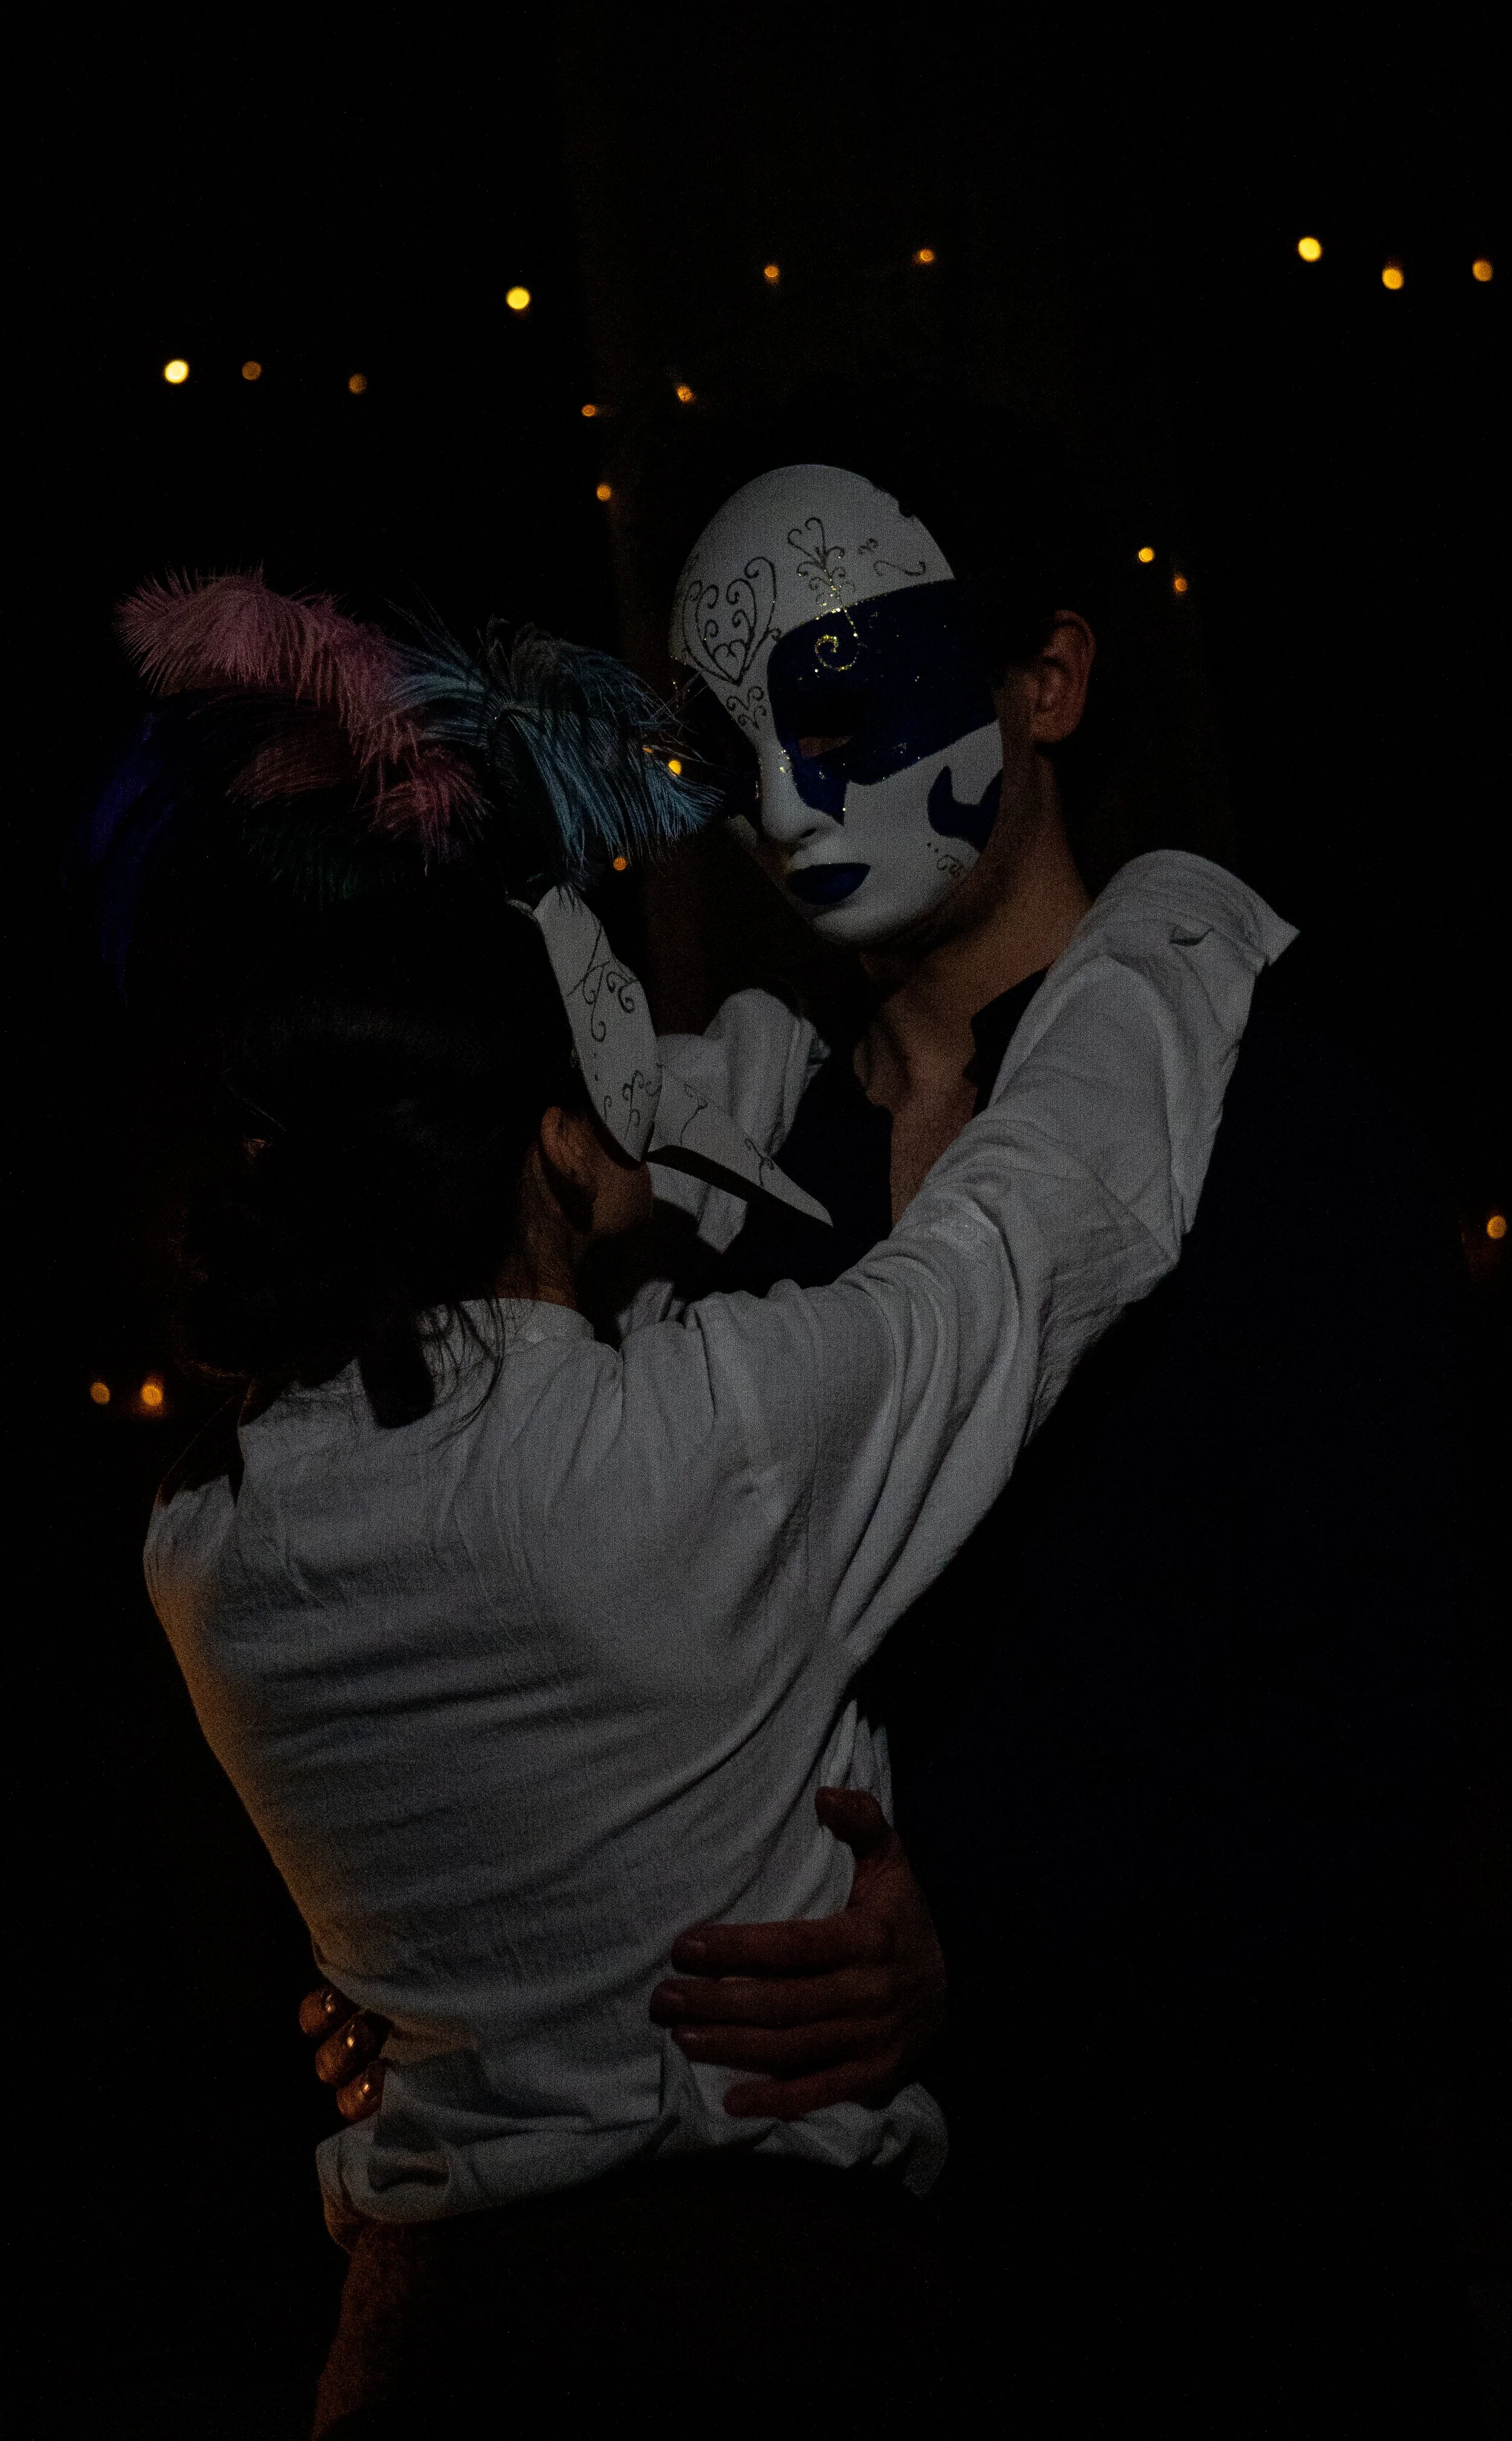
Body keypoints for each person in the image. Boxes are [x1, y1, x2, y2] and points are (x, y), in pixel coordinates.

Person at [310, 397, 1471, 2430]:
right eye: (727, 728)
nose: (782, 789)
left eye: (849, 690)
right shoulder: (737, 1171)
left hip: (1217, 2252)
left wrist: (997, 1944)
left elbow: (1403, 1712)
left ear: (1047, 672)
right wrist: (456, 1959)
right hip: (815, 2298)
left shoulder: (1274, 1122)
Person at [126, 572, 1285, 2431]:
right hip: (747, 2325)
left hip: (412, 2344)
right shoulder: (697, 1445)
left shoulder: (207, 1533)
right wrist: (1166, 914)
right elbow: (1040, 1227)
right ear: (550, 1138)